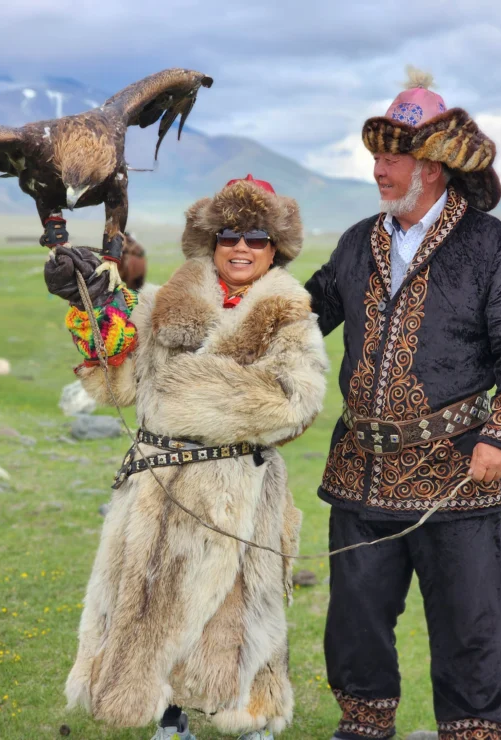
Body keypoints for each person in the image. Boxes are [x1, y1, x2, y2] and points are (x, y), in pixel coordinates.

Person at [44, 174, 328, 739]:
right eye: (228, 235)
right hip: (159, 494)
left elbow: (294, 403)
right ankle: (171, 725)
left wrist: (178, 397)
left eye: (255, 236)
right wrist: (90, 310)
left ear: (276, 248)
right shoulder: (156, 305)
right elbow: (118, 386)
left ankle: (250, 725)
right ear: (209, 241)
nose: (241, 247)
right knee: (155, 618)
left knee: (235, 624)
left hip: (239, 494)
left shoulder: (291, 317)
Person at [305, 67, 501, 740]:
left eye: (391, 157)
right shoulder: (358, 241)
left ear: (431, 168)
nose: (378, 169)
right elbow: (301, 316)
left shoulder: (486, 245)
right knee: (353, 623)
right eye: (376, 156)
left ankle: (470, 731)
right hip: (359, 473)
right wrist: (225, 289)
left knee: (469, 625)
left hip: (456, 474)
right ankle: (363, 726)